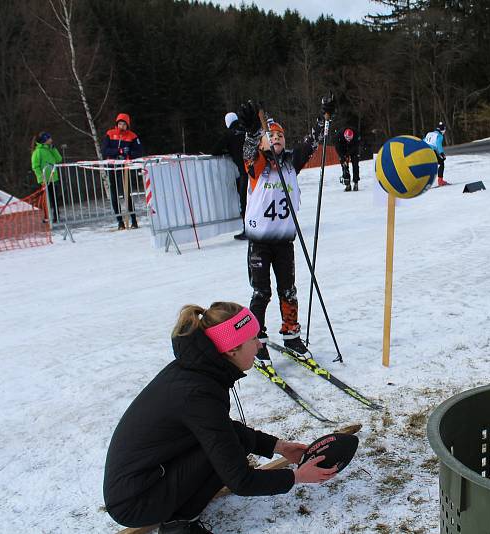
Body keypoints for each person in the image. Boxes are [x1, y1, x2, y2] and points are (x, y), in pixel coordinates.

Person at [103, 302, 337, 534]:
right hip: (136, 501)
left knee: (228, 442)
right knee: (225, 451)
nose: (259, 345)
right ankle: (178, 526)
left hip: (149, 477)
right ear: (232, 349)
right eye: (253, 339)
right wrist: (296, 477)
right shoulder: (198, 392)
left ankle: (181, 512)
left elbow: (221, 429)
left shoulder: (198, 371)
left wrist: (279, 447)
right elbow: (241, 481)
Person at [236, 96, 335, 357]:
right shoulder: (257, 164)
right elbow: (248, 153)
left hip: (284, 241)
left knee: (288, 290)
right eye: (271, 136)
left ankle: (291, 335)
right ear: (263, 141)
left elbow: (311, 143)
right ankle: (256, 339)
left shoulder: (291, 162)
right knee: (262, 292)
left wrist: (325, 117)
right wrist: (252, 134)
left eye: (280, 135)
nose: (276, 138)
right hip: (260, 241)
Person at [101, 113, 143, 229]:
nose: (121, 126)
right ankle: (120, 221)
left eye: (124, 124)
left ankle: (133, 220)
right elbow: (104, 151)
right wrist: (118, 151)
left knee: (126, 193)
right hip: (112, 167)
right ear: (116, 124)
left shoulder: (132, 136)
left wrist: (128, 153)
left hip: (124, 168)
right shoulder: (110, 134)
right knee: (114, 194)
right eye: (120, 124)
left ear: (127, 125)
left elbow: (139, 152)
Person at [211, 112, 248, 240]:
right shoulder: (246, 130)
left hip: (245, 173)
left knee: (245, 202)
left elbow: (215, 150)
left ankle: (248, 229)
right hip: (257, 172)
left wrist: (229, 151)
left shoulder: (229, 134)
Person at [30, 132, 63, 223]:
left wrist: (54, 149)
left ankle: (56, 216)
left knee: (55, 198)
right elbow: (35, 166)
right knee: (46, 199)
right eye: (49, 138)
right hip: (45, 180)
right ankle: (46, 216)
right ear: (45, 140)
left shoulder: (50, 149)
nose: (51, 140)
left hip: (54, 178)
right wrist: (41, 178)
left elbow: (59, 159)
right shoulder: (38, 151)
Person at [334, 127, 361, 191]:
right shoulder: (338, 136)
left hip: (353, 149)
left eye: (350, 139)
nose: (348, 140)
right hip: (343, 148)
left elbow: (356, 146)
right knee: (344, 166)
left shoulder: (356, 135)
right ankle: (347, 184)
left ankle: (356, 182)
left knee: (355, 165)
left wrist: (347, 155)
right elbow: (337, 148)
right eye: (347, 139)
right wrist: (343, 158)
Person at [424, 122, 449, 186]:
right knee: (441, 163)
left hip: (424, 151)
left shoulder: (429, 133)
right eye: (444, 130)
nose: (445, 131)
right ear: (442, 130)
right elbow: (438, 145)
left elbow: (423, 141)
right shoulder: (439, 136)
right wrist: (442, 154)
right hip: (431, 151)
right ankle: (440, 181)